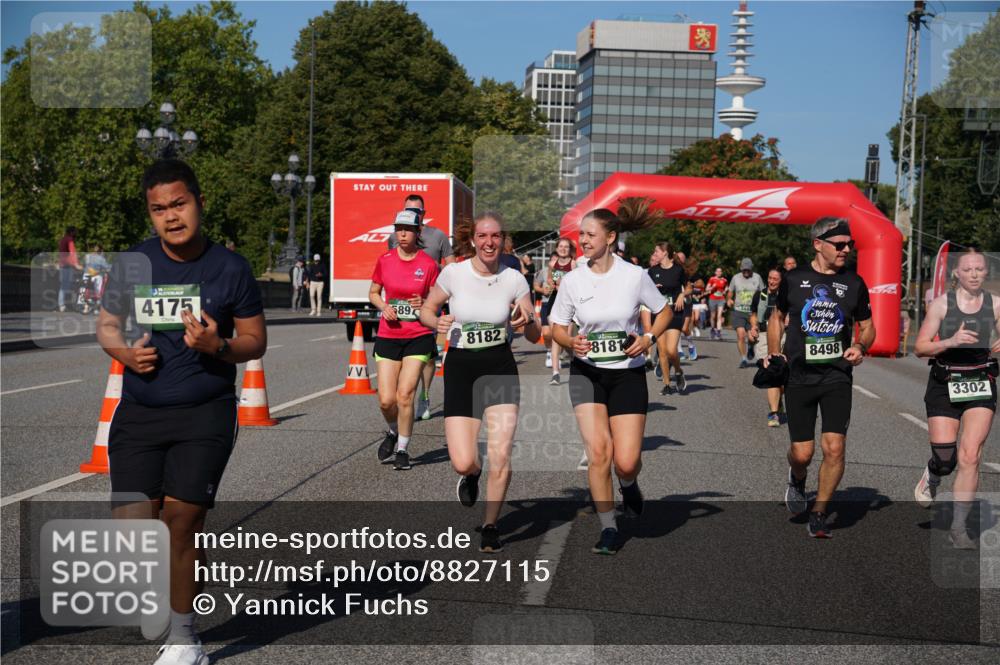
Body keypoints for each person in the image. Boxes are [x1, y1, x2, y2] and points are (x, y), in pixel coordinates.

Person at [97, 159, 267, 665]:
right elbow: (107, 326)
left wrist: (218, 346)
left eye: (179, 204)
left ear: (199, 203)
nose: (171, 217)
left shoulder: (230, 268)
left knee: (181, 519)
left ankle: (185, 639)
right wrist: (123, 353)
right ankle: (178, 575)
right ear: (149, 215)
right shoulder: (134, 264)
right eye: (159, 209)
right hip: (139, 412)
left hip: (204, 412)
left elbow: (256, 341)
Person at [550, 199, 670, 555]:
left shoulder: (634, 276)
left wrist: (648, 339)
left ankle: (629, 483)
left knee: (626, 460)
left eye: (590, 234)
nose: (582, 240)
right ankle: (608, 528)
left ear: (610, 237)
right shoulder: (572, 279)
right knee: (599, 453)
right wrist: (570, 341)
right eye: (580, 234)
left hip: (627, 375)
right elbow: (556, 327)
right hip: (587, 373)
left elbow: (662, 313)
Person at [419, 212, 540, 553]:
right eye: (483, 236)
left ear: (503, 241)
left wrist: (527, 318)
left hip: (500, 367)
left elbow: (534, 334)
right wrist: (435, 323)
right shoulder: (454, 273)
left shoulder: (515, 279)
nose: (489, 242)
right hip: (460, 369)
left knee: (500, 455)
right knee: (462, 460)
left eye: (496, 236)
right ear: (473, 240)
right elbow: (428, 308)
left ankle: (490, 524)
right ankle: (472, 475)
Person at [766, 216, 875, 538]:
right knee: (803, 453)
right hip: (799, 375)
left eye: (849, 245)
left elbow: (868, 327)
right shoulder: (794, 278)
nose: (846, 250)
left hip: (836, 376)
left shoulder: (854, 283)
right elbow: (777, 316)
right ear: (818, 244)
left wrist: (859, 345)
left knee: (834, 447)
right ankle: (797, 478)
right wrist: (775, 351)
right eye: (839, 245)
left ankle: (820, 511)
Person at [913, 249, 999, 549]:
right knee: (947, 459)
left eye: (979, 269)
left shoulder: (996, 304)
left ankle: (959, 528)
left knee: (971, 455)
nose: (974, 274)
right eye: (968, 269)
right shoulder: (942, 305)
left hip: (980, 382)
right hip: (945, 382)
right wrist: (950, 341)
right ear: (957, 274)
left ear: (985, 272)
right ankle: (933, 474)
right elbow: (920, 348)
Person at [370, 209, 440, 471]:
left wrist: (425, 303)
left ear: (418, 232)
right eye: (398, 228)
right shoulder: (385, 260)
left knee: (405, 394)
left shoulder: (429, 264)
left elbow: (437, 300)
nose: (402, 233)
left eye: (408, 229)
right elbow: (374, 292)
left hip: (417, 336)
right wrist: (383, 306)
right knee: (386, 400)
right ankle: (392, 431)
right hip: (389, 334)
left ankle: (402, 449)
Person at [389, 195, 455, 420]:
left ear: (423, 214)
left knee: (426, 357)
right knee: (400, 357)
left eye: (416, 211)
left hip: (427, 304)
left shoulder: (438, 236)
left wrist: (432, 269)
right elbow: (390, 262)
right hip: (400, 306)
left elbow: (452, 267)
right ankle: (404, 396)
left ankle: (424, 395)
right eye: (407, 209)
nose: (412, 214)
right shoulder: (394, 236)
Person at [648, 242, 687, 395]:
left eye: (656, 251)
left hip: (675, 313)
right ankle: (667, 384)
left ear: (664, 253)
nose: (654, 254)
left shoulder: (678, 270)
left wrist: (682, 295)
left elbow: (689, 286)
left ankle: (678, 372)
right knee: (662, 351)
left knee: (671, 350)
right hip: (658, 315)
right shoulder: (652, 271)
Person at [750, 267, 785, 427]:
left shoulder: (787, 296)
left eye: (775, 279)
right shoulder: (760, 294)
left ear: (781, 280)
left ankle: (779, 400)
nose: (771, 281)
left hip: (784, 335)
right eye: (769, 278)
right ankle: (773, 413)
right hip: (764, 335)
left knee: (783, 375)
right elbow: (753, 314)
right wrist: (753, 327)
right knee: (772, 372)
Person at [542, 238, 577, 385]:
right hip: (555, 300)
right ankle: (556, 373)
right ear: (556, 248)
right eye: (561, 246)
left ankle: (574, 358)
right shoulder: (552, 264)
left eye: (566, 247)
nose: (563, 249)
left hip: (569, 302)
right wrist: (551, 284)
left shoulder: (573, 264)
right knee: (556, 335)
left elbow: (577, 282)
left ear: (570, 249)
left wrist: (566, 284)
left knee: (566, 337)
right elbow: (549, 279)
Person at [727, 258, 765, 368]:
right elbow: (730, 292)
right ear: (741, 269)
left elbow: (763, 294)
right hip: (738, 311)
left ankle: (751, 347)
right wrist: (729, 299)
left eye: (748, 270)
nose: (746, 272)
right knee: (740, 335)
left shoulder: (757, 278)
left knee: (752, 338)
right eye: (744, 270)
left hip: (753, 313)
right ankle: (743, 359)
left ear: (751, 268)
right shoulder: (735, 278)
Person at [674, 251, 697, 361]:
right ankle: (679, 351)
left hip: (686, 302)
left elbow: (699, 283)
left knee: (684, 328)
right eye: (678, 257)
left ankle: (691, 345)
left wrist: (692, 285)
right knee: (677, 328)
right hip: (675, 303)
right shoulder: (672, 271)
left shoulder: (687, 272)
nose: (680, 259)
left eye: (682, 258)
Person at [57, 226, 83, 312]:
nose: (76, 234)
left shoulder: (63, 239)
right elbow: (72, 252)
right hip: (67, 265)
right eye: (75, 232)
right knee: (67, 285)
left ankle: (64, 305)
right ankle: (64, 305)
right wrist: (76, 264)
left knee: (66, 285)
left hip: (63, 264)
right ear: (72, 232)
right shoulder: (69, 240)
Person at [706, 267, 728, 340]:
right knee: (713, 316)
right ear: (715, 272)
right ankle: (712, 329)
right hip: (712, 299)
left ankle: (718, 332)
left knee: (719, 316)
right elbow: (707, 289)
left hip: (721, 299)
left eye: (720, 271)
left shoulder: (724, 280)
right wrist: (712, 287)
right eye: (717, 271)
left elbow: (727, 287)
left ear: (721, 273)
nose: (719, 272)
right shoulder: (712, 279)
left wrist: (725, 290)